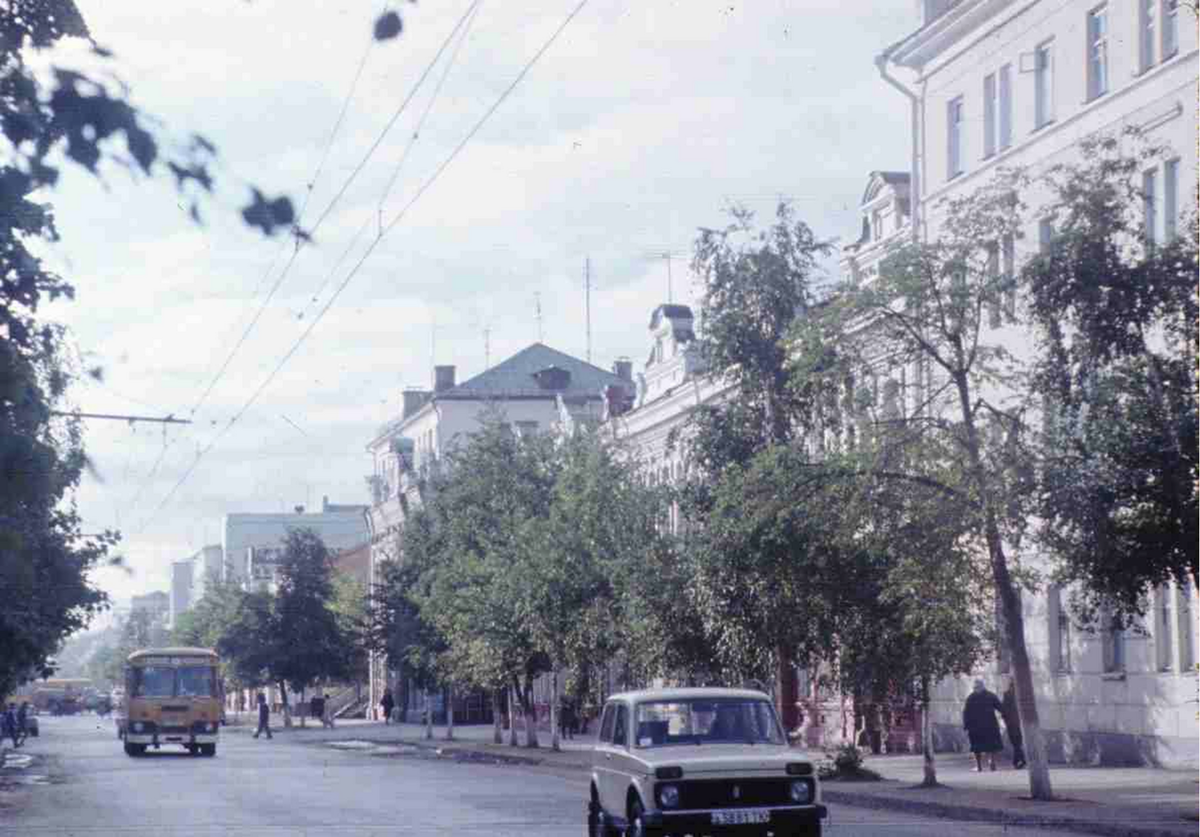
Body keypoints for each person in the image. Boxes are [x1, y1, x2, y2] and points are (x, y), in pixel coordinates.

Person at [962, 678, 1004, 772]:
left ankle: (979, 766)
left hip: (975, 727)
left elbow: (966, 713)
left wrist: (966, 725)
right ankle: (992, 762)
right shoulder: (991, 695)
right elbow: (1000, 707)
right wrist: (1004, 715)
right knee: (992, 745)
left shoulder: (971, 697)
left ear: (975, 687)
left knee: (976, 747)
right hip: (990, 725)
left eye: (975, 687)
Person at [1001, 678, 1027, 769]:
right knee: (1017, 743)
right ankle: (1019, 760)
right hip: (1019, 722)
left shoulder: (1007, 695)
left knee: (1016, 743)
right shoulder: (1022, 694)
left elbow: (1004, 711)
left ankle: (1019, 761)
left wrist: (1006, 720)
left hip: (1012, 723)